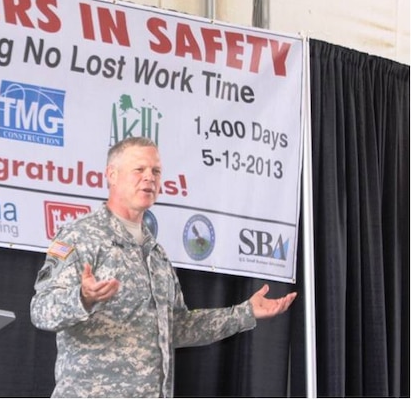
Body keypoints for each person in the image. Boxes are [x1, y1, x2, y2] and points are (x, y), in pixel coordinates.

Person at [30, 136, 297, 398]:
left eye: (155, 171)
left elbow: (177, 327)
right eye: (139, 169)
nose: (149, 177)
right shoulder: (79, 236)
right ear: (112, 175)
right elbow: (41, 311)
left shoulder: (156, 255)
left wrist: (244, 313)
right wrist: (83, 298)